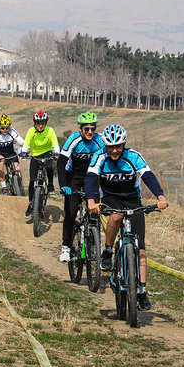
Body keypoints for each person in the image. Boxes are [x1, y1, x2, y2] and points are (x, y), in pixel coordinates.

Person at [84, 124, 167, 311]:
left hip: (132, 199)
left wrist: (160, 197)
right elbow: (90, 178)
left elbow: (148, 176)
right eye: (111, 147)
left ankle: (142, 292)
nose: (115, 150)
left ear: (124, 145)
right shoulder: (99, 157)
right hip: (111, 198)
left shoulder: (133, 157)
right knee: (115, 217)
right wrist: (91, 201)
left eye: (118, 146)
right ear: (105, 146)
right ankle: (107, 250)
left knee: (141, 249)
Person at [57, 112, 104, 263]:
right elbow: (61, 162)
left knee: (95, 211)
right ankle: (66, 247)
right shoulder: (73, 140)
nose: (90, 132)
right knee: (70, 212)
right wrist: (64, 185)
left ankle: (95, 245)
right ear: (80, 129)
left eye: (93, 128)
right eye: (86, 129)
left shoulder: (99, 140)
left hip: (92, 177)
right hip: (74, 177)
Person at [19, 110, 60, 219]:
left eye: (42, 123)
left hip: (47, 153)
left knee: (49, 166)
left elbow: (55, 143)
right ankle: (31, 204)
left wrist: (56, 153)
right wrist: (23, 151)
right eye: (38, 123)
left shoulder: (50, 131)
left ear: (46, 123)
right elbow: (26, 142)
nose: (40, 126)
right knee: (32, 180)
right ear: (35, 123)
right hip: (35, 155)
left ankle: (50, 185)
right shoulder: (31, 131)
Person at [0, 114, 24, 195]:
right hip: (0, 153)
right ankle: (4, 187)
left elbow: (21, 141)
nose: (5, 130)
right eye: (2, 128)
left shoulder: (12, 131)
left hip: (11, 153)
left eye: (7, 128)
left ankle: (18, 186)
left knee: (17, 171)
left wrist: (26, 148)